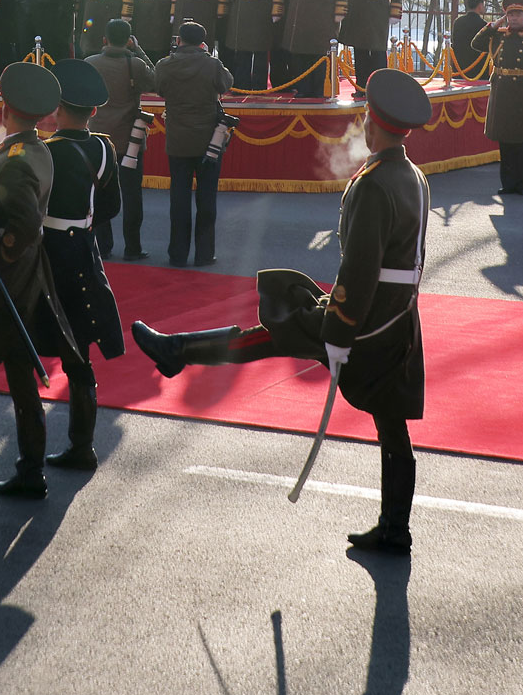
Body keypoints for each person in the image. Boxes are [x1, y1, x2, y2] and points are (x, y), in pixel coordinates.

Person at [133, 68, 435, 553]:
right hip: (399, 316)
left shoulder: (375, 184)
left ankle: (178, 351)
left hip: (367, 319)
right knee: (388, 416)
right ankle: (395, 528)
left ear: (371, 124)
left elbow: (360, 271)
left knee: (278, 329)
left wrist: (339, 328)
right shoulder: (414, 176)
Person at [0, 63, 81, 501]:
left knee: (21, 377)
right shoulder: (35, 148)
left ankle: (31, 469)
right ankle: (30, 466)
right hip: (28, 273)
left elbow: (20, 222)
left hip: (12, 280)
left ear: (7, 108)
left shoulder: (17, 159)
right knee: (20, 373)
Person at [42, 58, 125, 471]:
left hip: (49, 255)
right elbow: (111, 206)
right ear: (93, 111)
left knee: (31, 348)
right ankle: (82, 444)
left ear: (59, 108)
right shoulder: (103, 148)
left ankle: (33, 458)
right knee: (82, 354)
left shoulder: (47, 150)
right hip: (85, 253)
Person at [154, 20, 232, 267]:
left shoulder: (165, 65)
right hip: (209, 140)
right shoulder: (212, 64)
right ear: (202, 43)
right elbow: (226, 84)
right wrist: (208, 55)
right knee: (207, 198)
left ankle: (177, 254)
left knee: (179, 197)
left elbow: (159, 89)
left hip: (177, 139)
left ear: (178, 41)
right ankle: (204, 253)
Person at [88, 20, 156, 261]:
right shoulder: (135, 64)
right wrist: (138, 51)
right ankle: (133, 246)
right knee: (132, 194)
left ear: (104, 40)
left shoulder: (91, 64)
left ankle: (104, 246)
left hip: (98, 138)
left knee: (100, 193)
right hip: (130, 140)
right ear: (129, 40)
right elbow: (156, 81)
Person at [467, 0, 523, 194]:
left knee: (522, 138)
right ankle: (509, 182)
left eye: (518, 14)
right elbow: (475, 44)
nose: (513, 18)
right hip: (502, 90)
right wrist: (492, 26)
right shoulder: (498, 35)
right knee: (505, 139)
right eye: (510, 14)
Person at [448, 0, 488, 75]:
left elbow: (454, 42)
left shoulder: (458, 22)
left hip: (459, 65)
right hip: (478, 68)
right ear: (480, 5)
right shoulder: (483, 25)